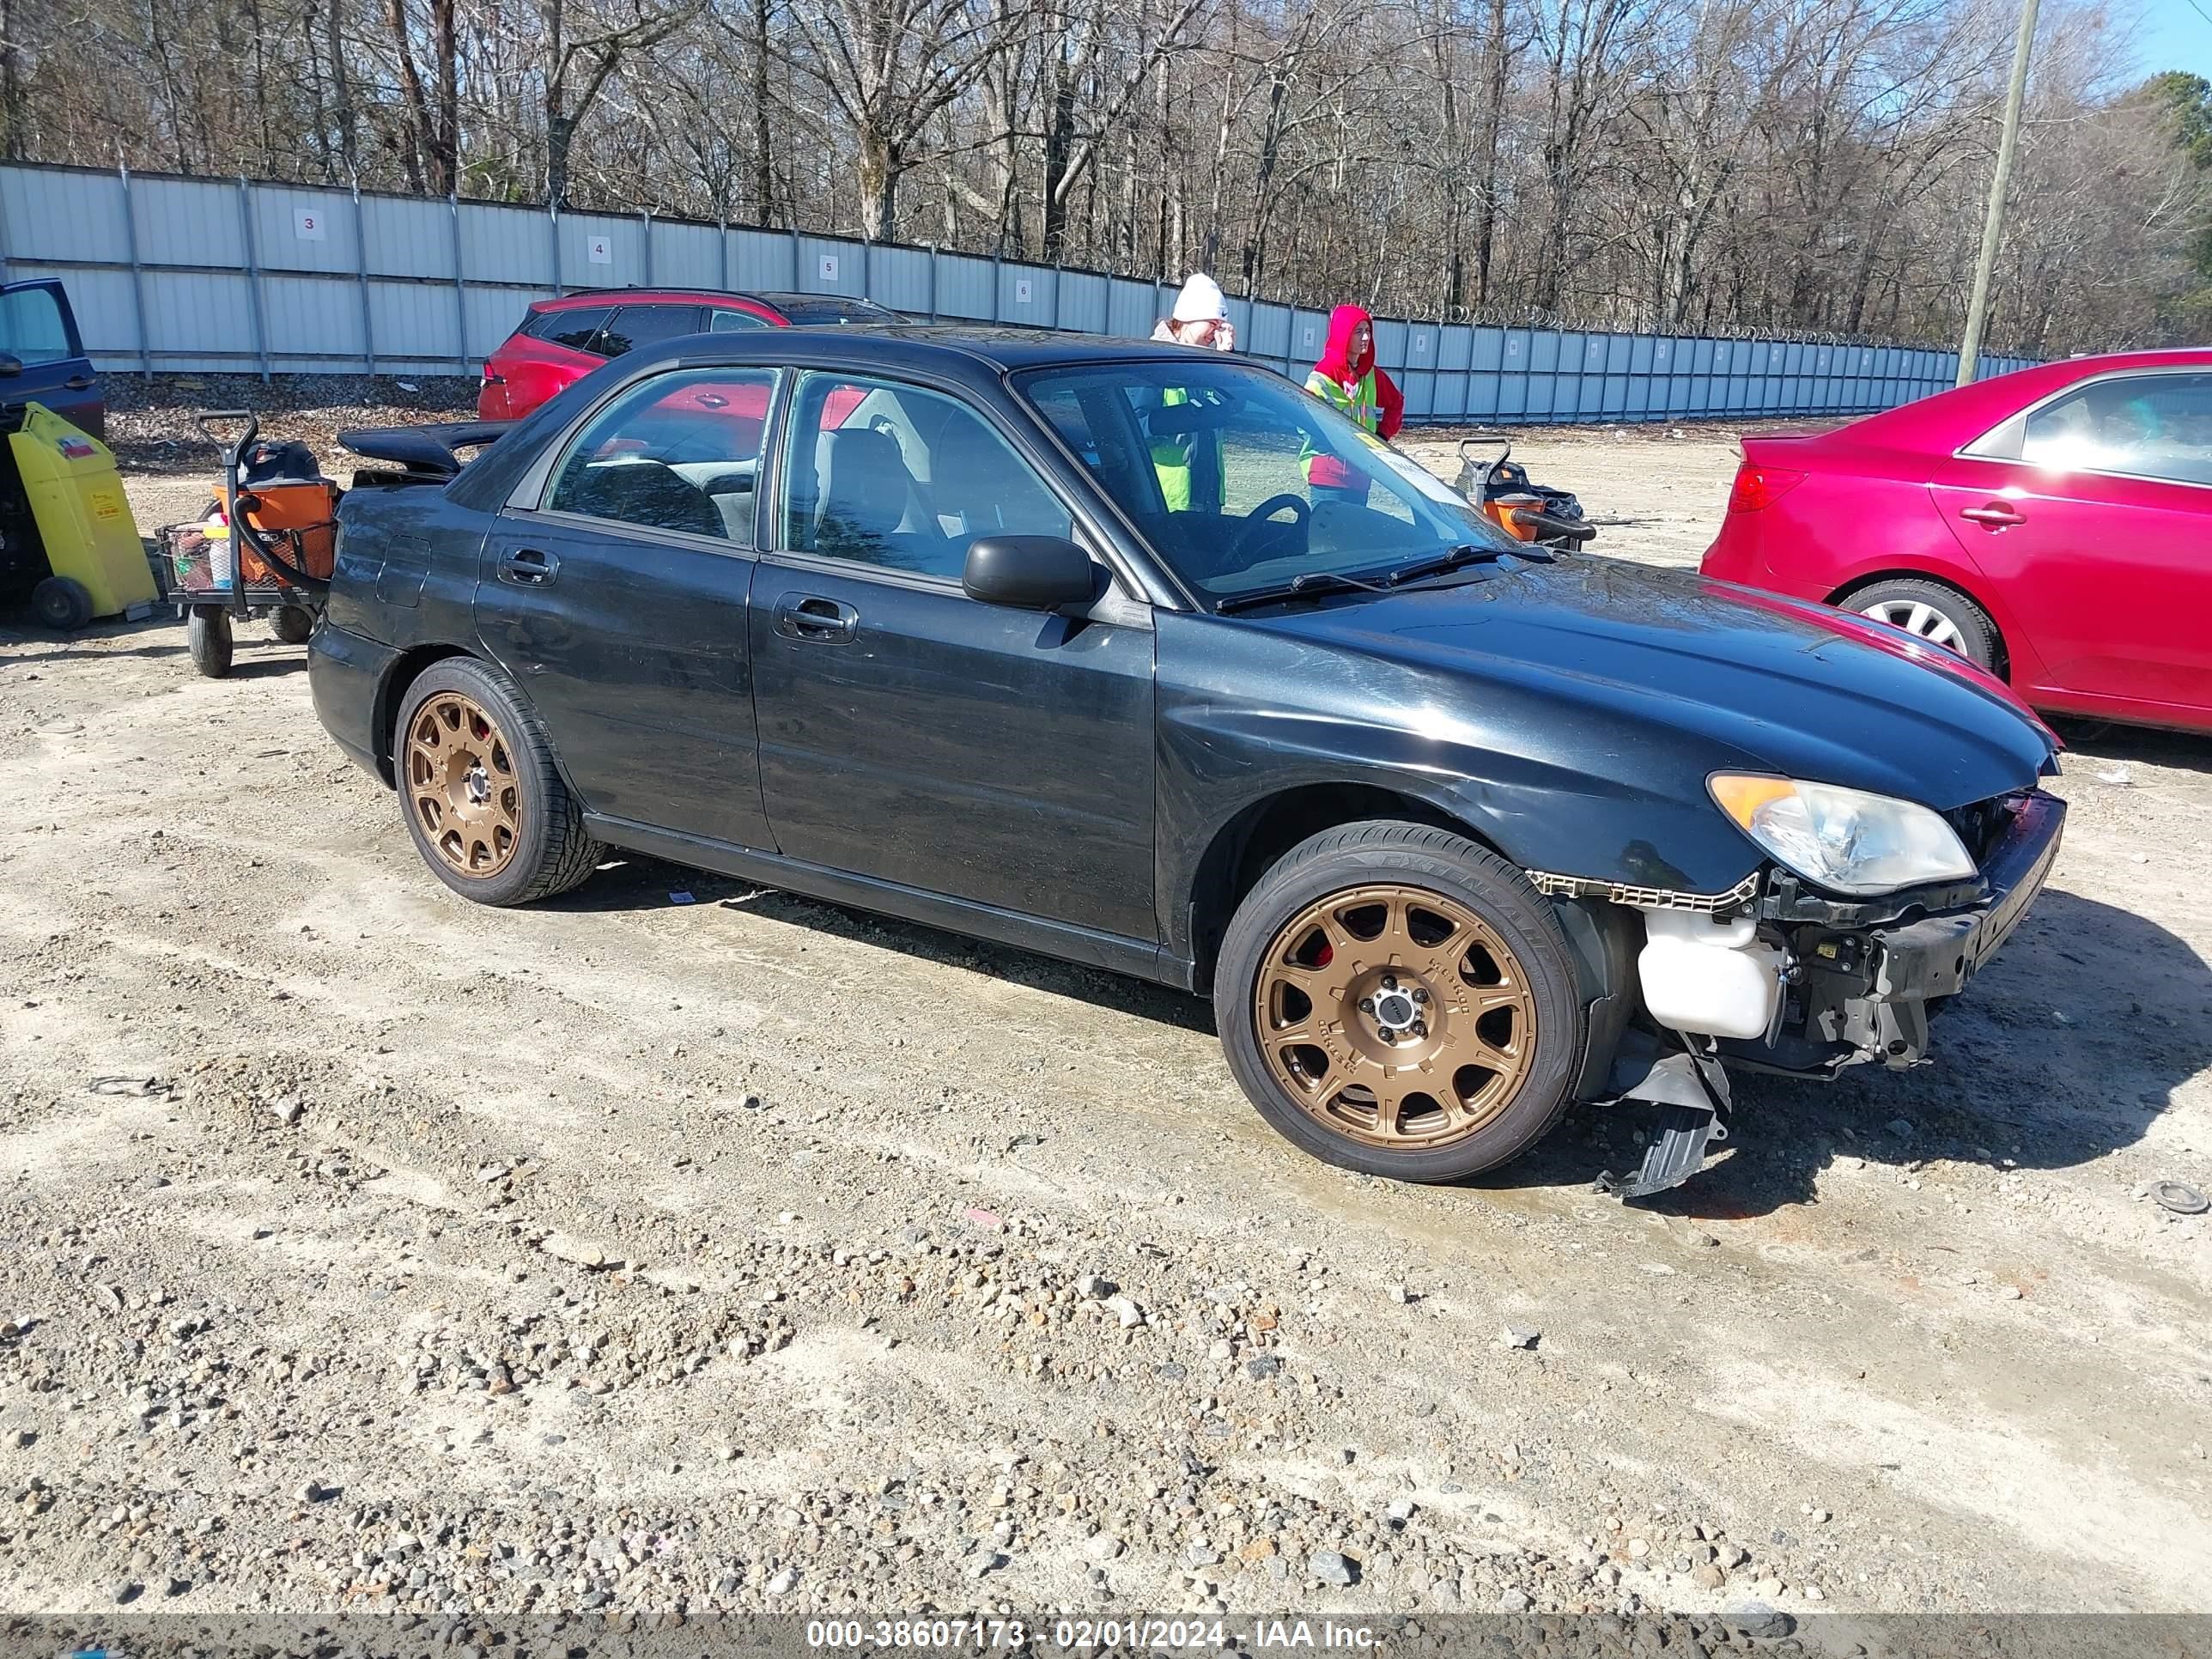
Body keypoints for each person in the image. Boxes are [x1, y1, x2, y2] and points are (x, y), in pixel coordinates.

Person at [1148, 273, 1235, 513]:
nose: (1215, 333)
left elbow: (1235, 406)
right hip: (1168, 498)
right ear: (1189, 318)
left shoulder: (1206, 367)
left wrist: (1225, 357)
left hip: (1207, 495)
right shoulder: (1151, 363)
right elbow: (1134, 425)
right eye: (1212, 324)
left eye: (1221, 326)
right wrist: (1174, 426)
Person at [1303, 304, 1405, 501]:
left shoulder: (1372, 375)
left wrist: (1381, 437)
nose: (1366, 338)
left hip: (1361, 474)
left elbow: (1396, 403)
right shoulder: (1322, 377)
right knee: (1327, 533)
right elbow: (1305, 424)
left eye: (1368, 331)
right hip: (1327, 475)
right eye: (1358, 332)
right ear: (1343, 335)